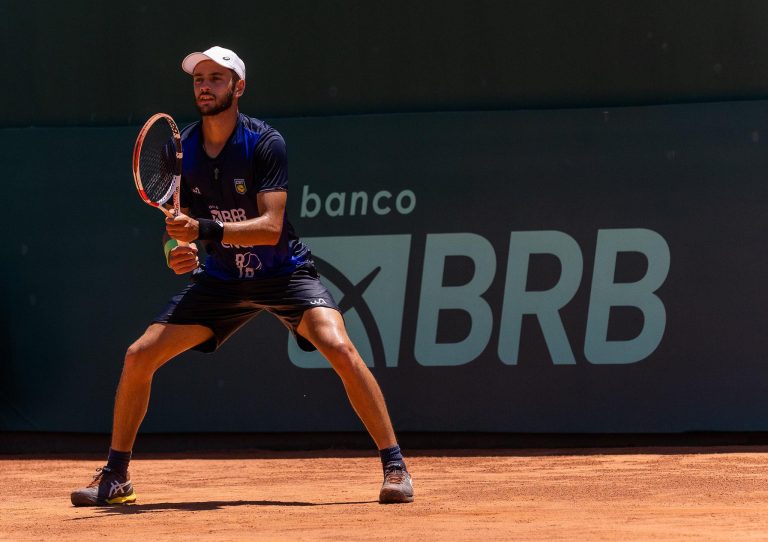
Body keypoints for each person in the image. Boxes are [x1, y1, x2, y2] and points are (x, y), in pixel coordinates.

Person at [71, 46, 413, 506]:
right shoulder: (182, 150)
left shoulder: (265, 143)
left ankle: (394, 466)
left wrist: (206, 231)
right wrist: (178, 250)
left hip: (284, 273)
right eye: (198, 79)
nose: (205, 86)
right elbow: (178, 232)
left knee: (339, 345)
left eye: (216, 78)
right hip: (221, 281)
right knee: (138, 356)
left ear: (238, 87)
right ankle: (116, 476)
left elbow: (271, 228)